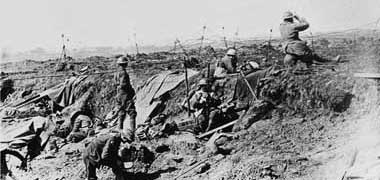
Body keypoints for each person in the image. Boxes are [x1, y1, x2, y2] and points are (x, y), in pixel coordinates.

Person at [115, 56, 137, 141]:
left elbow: (117, 84)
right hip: (125, 95)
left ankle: (119, 133)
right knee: (132, 113)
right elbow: (124, 85)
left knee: (121, 113)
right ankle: (132, 134)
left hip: (119, 95)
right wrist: (131, 90)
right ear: (125, 64)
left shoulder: (116, 73)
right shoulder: (123, 73)